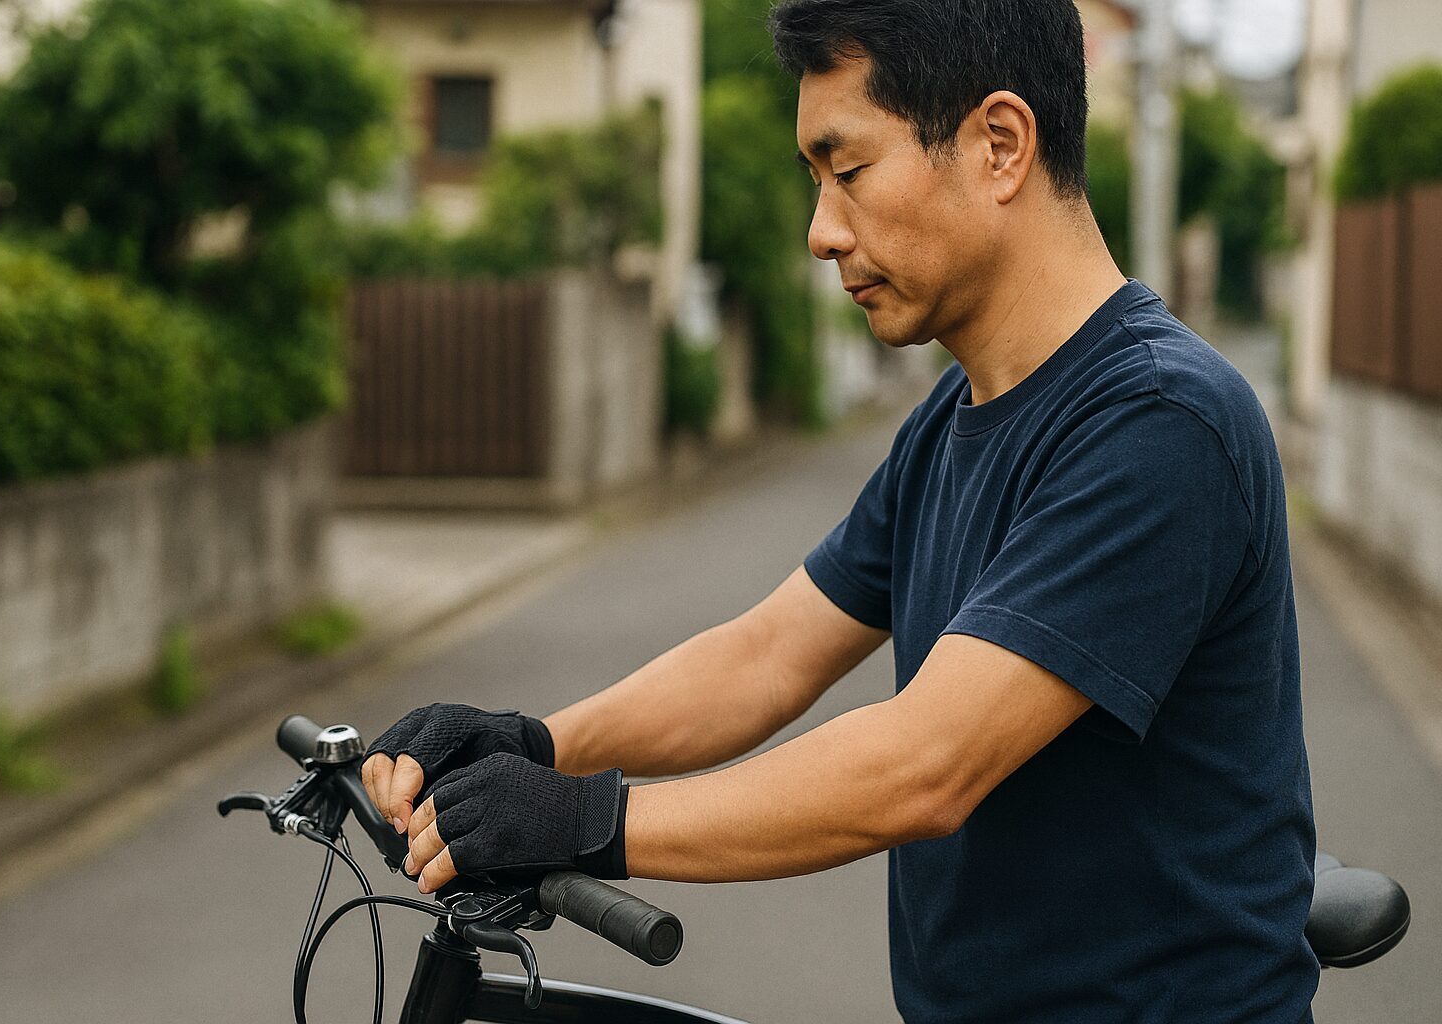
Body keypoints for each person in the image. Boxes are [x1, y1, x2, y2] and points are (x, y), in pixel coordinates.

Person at [360, 2, 1319, 1020]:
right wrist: (535, 745)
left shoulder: (1161, 422)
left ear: (1000, 146)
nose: (821, 231)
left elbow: (922, 765)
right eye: (814, 181)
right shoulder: (955, 414)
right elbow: (769, 654)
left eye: (847, 170)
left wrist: (585, 819)